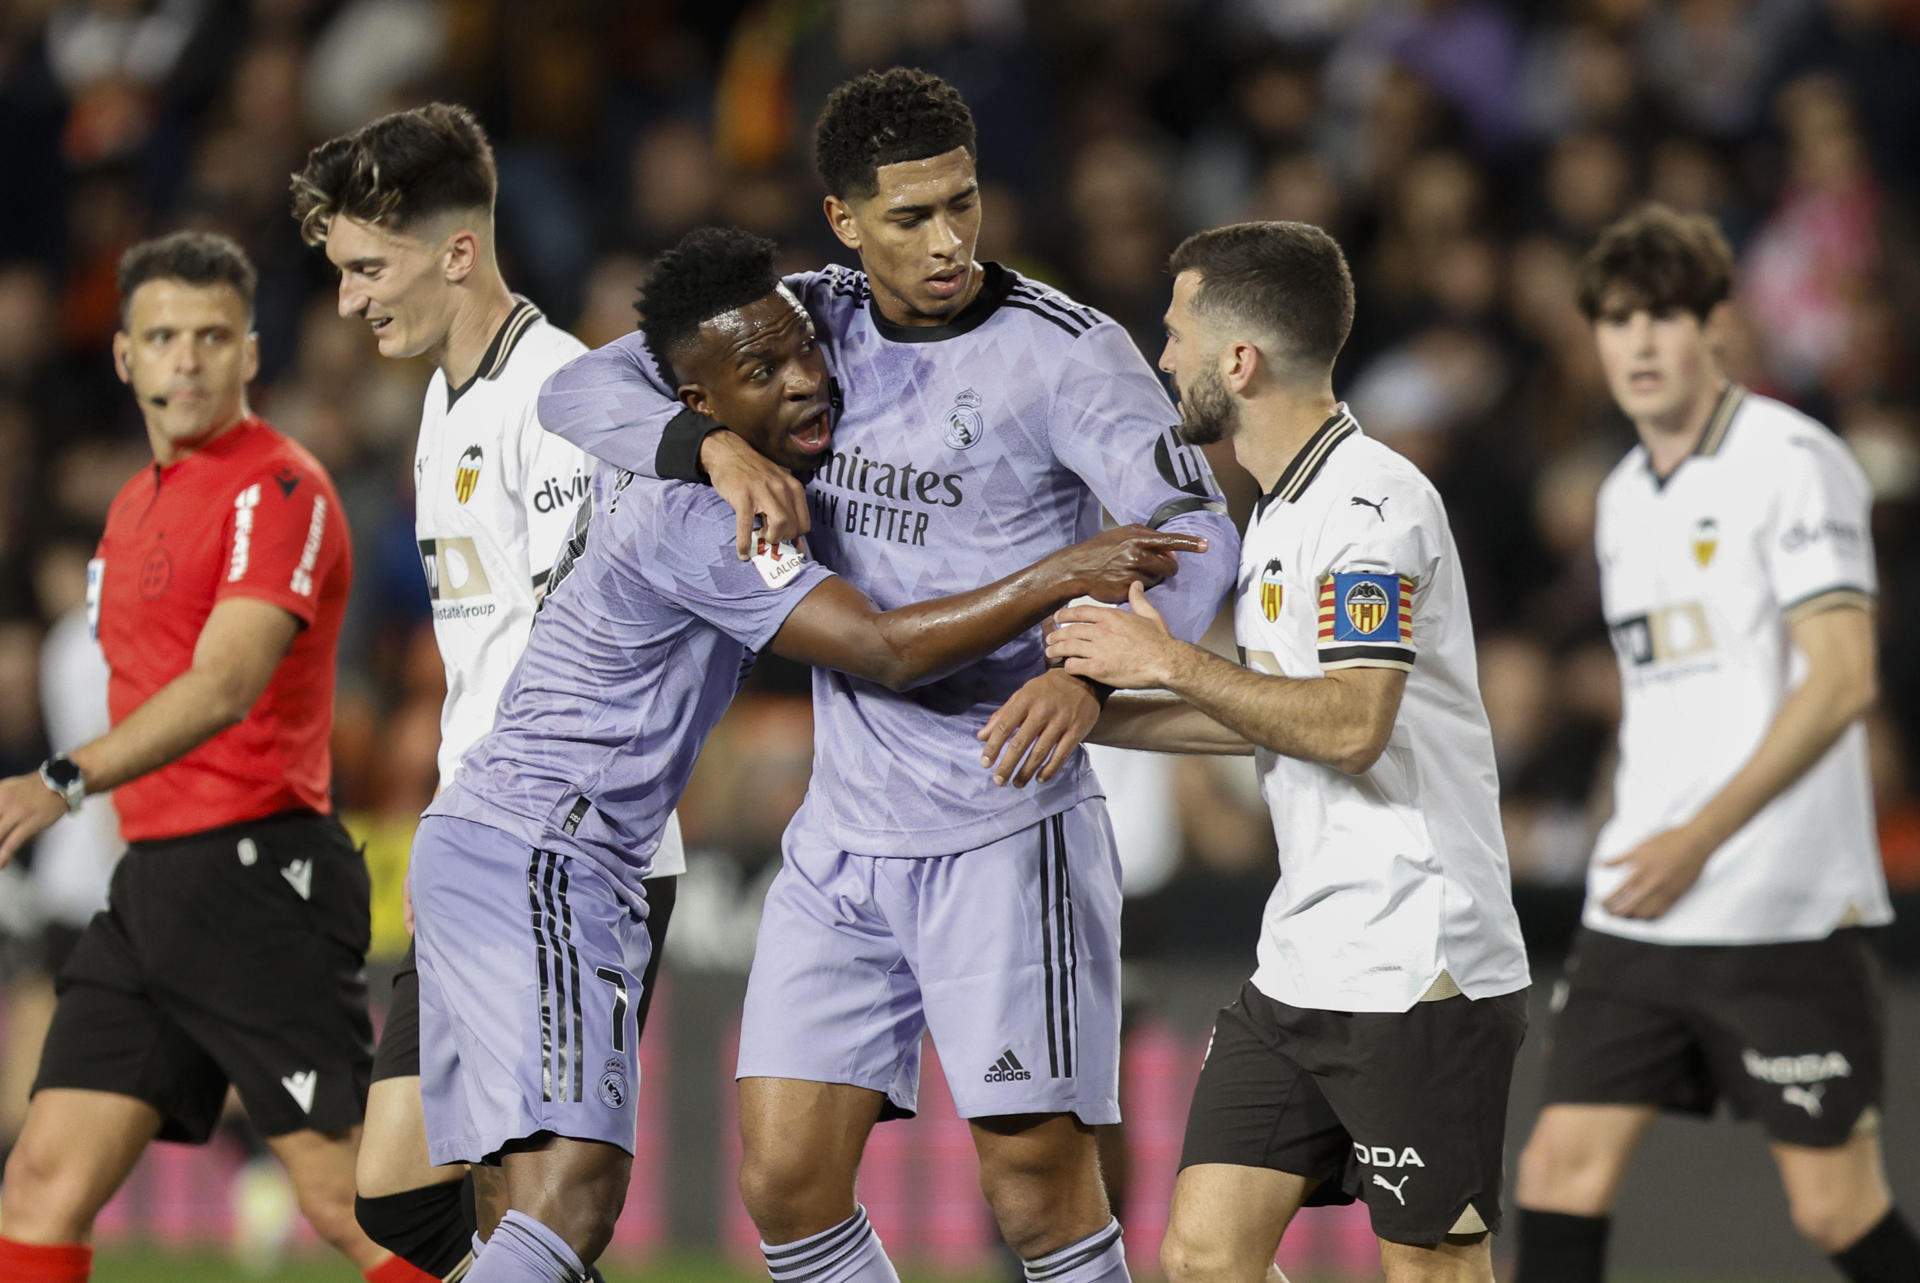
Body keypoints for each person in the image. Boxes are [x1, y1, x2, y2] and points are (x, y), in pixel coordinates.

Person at [536, 68, 1239, 1283]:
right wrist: (704, 441)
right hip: (846, 829)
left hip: (1005, 813)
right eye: (910, 218)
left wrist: (1095, 673)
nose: (950, 240)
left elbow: (1194, 528)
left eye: (962, 203)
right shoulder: (802, 322)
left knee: (1033, 1185)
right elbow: (578, 385)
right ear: (843, 219)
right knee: (785, 1180)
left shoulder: (1067, 354)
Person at [1038, 220, 1531, 1283]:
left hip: (1417, 957)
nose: (1162, 356)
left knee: (1432, 1267)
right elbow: (1264, 711)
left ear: (1239, 361)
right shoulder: (1276, 512)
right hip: (1305, 954)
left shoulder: (1372, 506)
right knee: (1207, 1254)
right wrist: (1097, 708)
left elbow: (1351, 725)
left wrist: (1166, 661)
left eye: (1175, 334)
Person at [289, 101, 687, 1281]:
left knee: (538, 1200)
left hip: (571, 849)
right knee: (399, 1193)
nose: (351, 299)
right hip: (475, 842)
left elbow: (597, 639)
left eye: (370, 268)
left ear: (459, 250)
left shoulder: (562, 399)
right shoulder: (439, 397)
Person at [0, 232, 432, 1283]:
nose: (184, 358)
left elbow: (228, 680)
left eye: (209, 336)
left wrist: (64, 777)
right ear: (123, 358)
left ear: (249, 352)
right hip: (151, 878)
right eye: (161, 337)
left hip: (254, 872)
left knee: (345, 1197)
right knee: (41, 1182)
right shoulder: (135, 503)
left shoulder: (274, 492)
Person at [1509, 205, 1918, 1283]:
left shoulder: (1795, 459)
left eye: (1664, 317)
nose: (1639, 344)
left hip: (1777, 906)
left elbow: (1843, 681)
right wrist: (1641, 835)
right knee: (1557, 1172)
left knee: (1834, 1207)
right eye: (1616, 320)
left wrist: (1699, 835)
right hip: (1639, 903)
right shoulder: (1618, 499)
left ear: (1717, 328)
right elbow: (1665, 705)